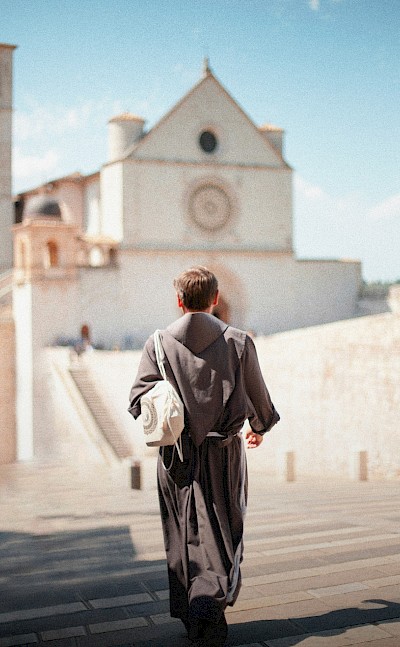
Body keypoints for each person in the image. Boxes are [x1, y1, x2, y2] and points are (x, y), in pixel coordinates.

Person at [128, 266, 279, 646]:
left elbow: (136, 400)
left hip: (175, 457)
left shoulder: (157, 345)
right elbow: (259, 396)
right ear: (214, 300)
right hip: (222, 454)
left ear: (179, 301)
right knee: (222, 527)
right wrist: (258, 428)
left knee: (182, 531)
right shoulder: (239, 342)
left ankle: (191, 609)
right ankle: (208, 611)